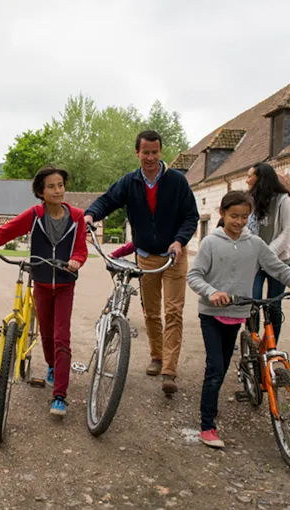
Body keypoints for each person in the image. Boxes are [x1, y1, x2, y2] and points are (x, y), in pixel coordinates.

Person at [187, 190, 290, 448]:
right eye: (234, 216)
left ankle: (211, 404)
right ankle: (207, 425)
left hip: (238, 313)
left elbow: (278, 268)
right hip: (212, 314)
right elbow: (195, 276)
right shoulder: (210, 243)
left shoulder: (255, 244)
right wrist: (212, 293)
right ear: (222, 214)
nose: (239, 221)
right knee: (214, 368)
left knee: (221, 367)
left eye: (244, 217)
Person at [85, 130, 199, 395]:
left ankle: (169, 370)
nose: (150, 157)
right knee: (151, 312)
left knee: (173, 312)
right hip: (146, 257)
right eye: (145, 152)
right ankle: (156, 356)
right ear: (137, 153)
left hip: (174, 257)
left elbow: (191, 217)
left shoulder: (177, 182)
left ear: (161, 152)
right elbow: (107, 200)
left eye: (155, 152)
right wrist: (91, 215)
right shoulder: (130, 182)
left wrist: (179, 241)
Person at [0, 165, 88, 416]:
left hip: (64, 284)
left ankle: (59, 395)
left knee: (62, 337)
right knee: (47, 334)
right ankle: (51, 365)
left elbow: (80, 248)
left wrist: (77, 261)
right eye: (51, 186)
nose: (58, 190)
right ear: (41, 191)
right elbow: (7, 230)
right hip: (40, 281)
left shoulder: (77, 217)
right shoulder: (35, 215)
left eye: (60, 185)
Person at [246, 162, 290, 344]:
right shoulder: (252, 200)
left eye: (250, 175)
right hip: (256, 262)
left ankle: (271, 345)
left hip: (279, 261)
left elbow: (287, 232)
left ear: (261, 178)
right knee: (253, 300)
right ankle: (252, 341)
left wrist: (267, 254)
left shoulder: (284, 201)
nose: (247, 180)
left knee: (274, 305)